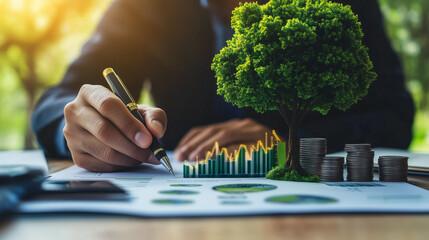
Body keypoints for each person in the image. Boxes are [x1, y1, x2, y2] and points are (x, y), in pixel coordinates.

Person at [32, 0, 414, 172]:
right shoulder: (144, 7)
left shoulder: (341, 5)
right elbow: (57, 101)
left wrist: (292, 139)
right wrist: (84, 126)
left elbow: (394, 114)